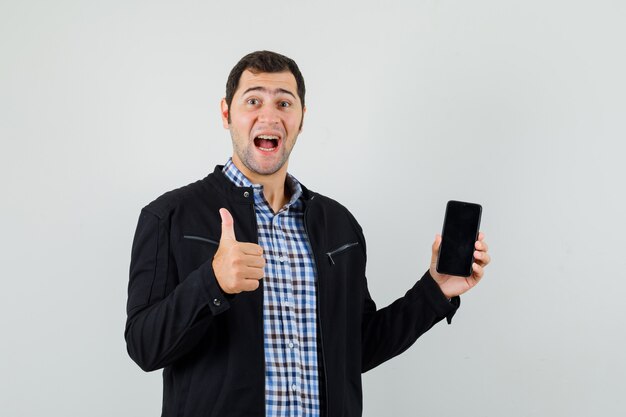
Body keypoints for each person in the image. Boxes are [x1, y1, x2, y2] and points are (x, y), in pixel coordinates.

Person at [125, 50, 491, 417]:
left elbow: (357, 348)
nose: (269, 116)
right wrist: (212, 282)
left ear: (301, 119)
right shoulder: (169, 216)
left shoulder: (338, 226)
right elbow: (144, 346)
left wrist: (436, 289)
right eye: (253, 100)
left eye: (284, 103)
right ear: (226, 113)